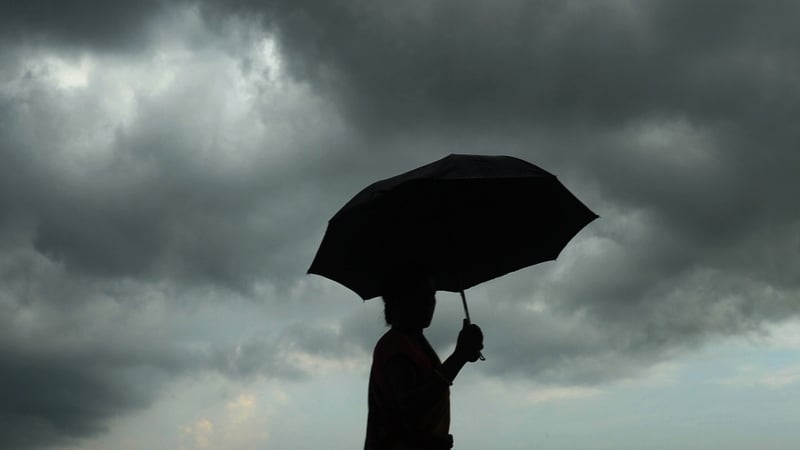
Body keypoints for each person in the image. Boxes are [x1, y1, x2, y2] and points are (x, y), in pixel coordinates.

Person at [364, 270, 484, 450]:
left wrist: (464, 354)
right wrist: (459, 357)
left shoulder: (416, 343)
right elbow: (410, 407)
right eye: (419, 294)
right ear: (397, 300)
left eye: (431, 294)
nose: (429, 302)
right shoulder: (395, 346)